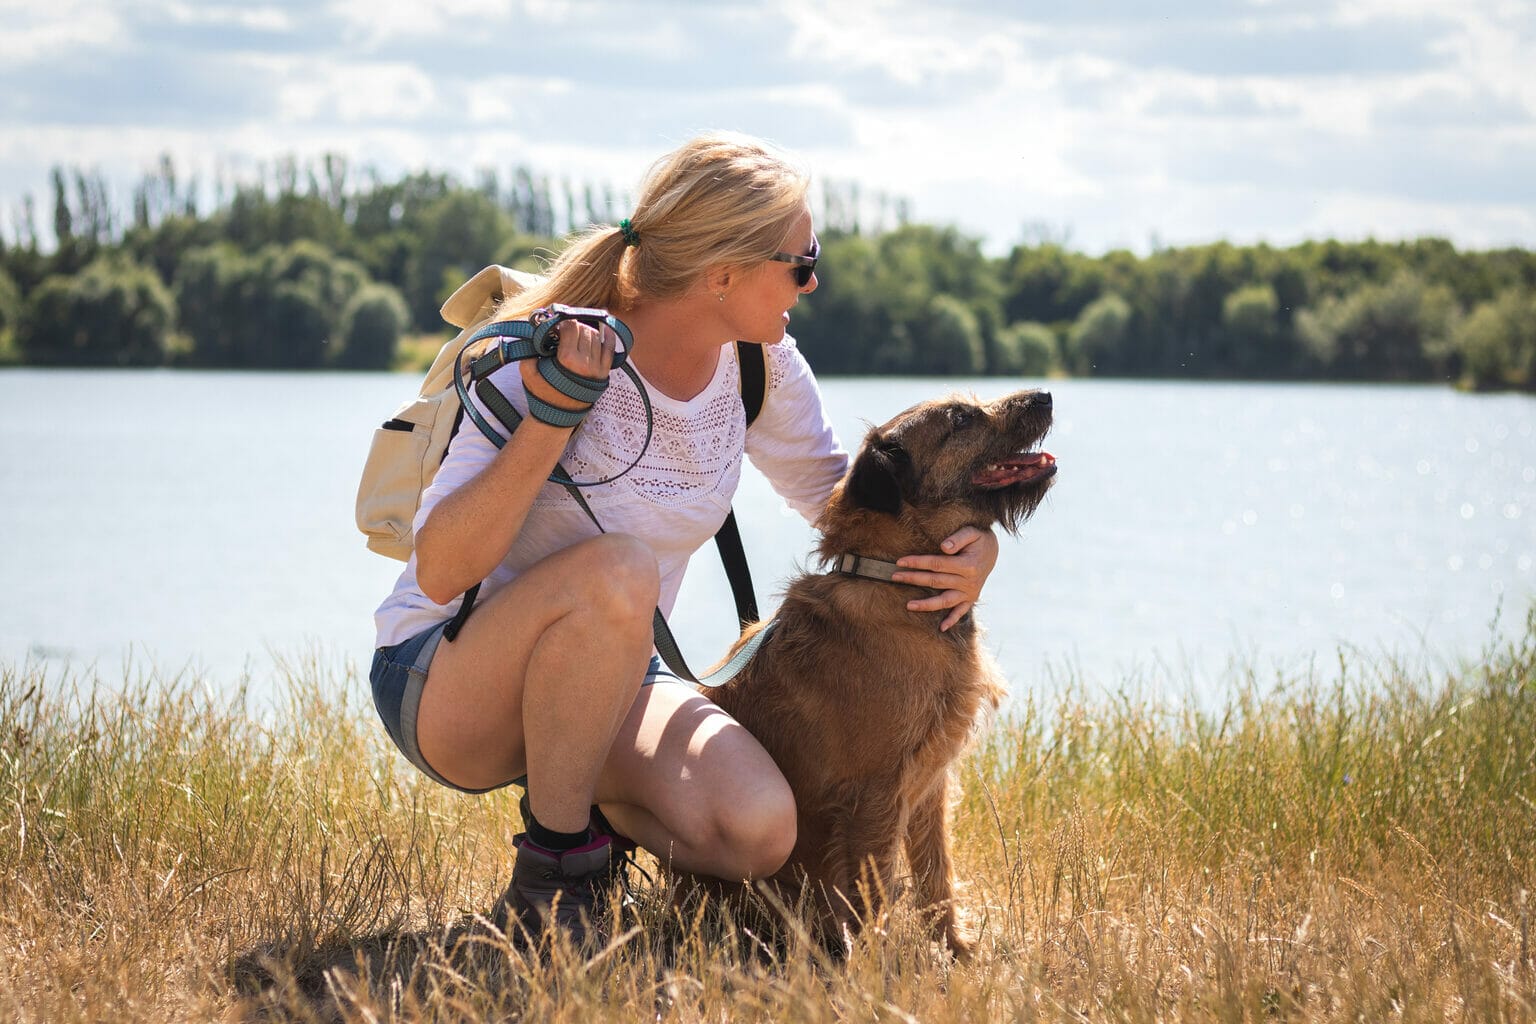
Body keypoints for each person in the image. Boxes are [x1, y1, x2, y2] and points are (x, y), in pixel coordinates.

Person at [369, 132, 999, 948]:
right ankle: (557, 883)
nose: (811, 284)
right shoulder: (544, 351)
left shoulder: (759, 365)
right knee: (619, 574)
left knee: (757, 829)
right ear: (723, 273)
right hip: (445, 680)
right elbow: (444, 567)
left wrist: (972, 549)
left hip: (610, 684)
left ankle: (598, 820)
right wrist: (555, 413)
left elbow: (849, 515)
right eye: (800, 265)